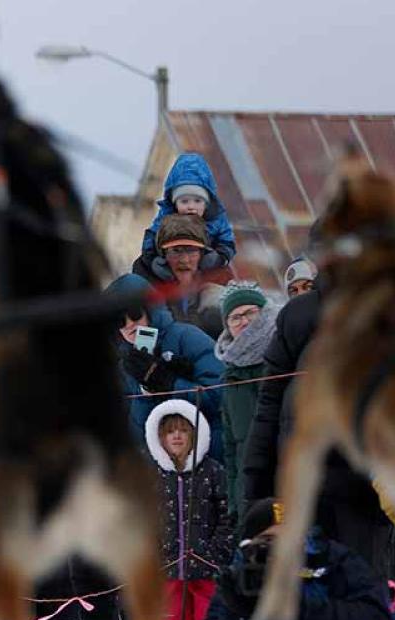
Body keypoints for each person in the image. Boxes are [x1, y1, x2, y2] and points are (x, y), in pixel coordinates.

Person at [239, 266, 395, 581]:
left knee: (361, 593)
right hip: (304, 486)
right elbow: (268, 403)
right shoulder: (298, 315)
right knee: (308, 591)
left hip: (365, 491)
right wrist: (255, 484)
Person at [200, 499, 395, 620]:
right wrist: (238, 613)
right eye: (268, 541)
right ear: (249, 545)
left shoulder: (333, 559)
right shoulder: (240, 577)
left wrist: (303, 608)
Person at [106, 273, 226, 460]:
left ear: (150, 310)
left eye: (135, 314)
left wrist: (170, 383)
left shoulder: (187, 337)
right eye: (119, 321)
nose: (130, 325)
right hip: (164, 472)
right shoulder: (125, 366)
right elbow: (136, 435)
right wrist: (145, 392)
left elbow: (221, 397)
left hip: (210, 459)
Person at [143, 400, 234, 620]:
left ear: (195, 434)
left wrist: (215, 551)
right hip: (168, 574)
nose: (177, 436)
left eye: (183, 430)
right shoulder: (152, 476)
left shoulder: (213, 472)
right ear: (159, 437)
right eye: (170, 431)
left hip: (207, 571)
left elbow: (228, 515)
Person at [214, 282, 280, 522]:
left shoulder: (281, 358)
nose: (243, 321)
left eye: (250, 312)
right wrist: (234, 501)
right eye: (235, 317)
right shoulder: (230, 376)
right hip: (249, 492)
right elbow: (231, 446)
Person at [134, 152, 236, 275]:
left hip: (205, 274)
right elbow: (150, 239)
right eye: (184, 201)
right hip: (171, 272)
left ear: (207, 203)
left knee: (219, 282)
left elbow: (227, 242)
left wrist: (220, 258)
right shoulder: (165, 218)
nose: (191, 207)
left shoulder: (216, 219)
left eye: (197, 201)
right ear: (174, 202)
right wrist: (153, 261)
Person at [138, 215, 228, 338]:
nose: (184, 260)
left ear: (203, 255)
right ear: (162, 256)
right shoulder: (143, 288)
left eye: (192, 251)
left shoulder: (222, 285)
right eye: (176, 251)